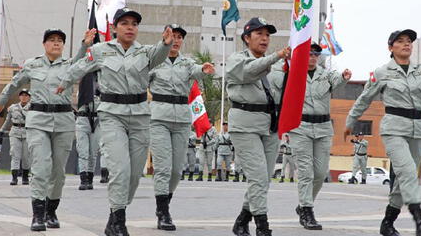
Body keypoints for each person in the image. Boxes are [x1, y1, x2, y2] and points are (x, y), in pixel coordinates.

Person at [57, 8, 174, 236]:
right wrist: (64, 83)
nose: (130, 27)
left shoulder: (146, 51)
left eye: (134, 24)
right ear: (114, 28)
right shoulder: (101, 51)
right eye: (125, 23)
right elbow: (79, 68)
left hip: (140, 116)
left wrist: (166, 44)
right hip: (112, 115)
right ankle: (119, 221)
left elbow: (159, 56)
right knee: (120, 169)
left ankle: (114, 215)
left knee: (134, 173)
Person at [345, 29, 421, 236]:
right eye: (401, 41)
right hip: (394, 129)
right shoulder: (382, 72)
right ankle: (420, 222)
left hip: (417, 129)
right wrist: (350, 121)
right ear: (391, 47)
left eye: (409, 41)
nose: (406, 44)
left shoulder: (420, 69)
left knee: (403, 179)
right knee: (407, 173)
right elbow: (364, 98)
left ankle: (388, 222)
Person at [0, 28, 95, 231]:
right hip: (38, 121)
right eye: (51, 40)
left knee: (58, 171)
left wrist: (85, 44)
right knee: (40, 168)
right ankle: (38, 214)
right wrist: (1, 102)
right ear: (44, 44)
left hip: (64, 122)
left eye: (60, 40)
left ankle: (51, 211)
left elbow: (80, 60)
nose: (56, 43)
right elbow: (15, 83)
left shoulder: (69, 65)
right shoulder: (33, 65)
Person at [226, 17, 290, 236]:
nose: (264, 39)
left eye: (267, 35)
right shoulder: (236, 59)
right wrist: (276, 57)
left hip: (269, 126)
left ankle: (242, 221)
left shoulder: (277, 66)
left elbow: (283, 93)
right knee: (259, 178)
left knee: (263, 179)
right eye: (259, 34)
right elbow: (250, 71)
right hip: (245, 125)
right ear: (246, 38)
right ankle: (262, 227)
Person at [148, 24, 214, 231]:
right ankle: (163, 212)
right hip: (159, 117)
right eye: (172, 36)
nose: (176, 40)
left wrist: (204, 70)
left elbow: (197, 71)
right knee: (163, 168)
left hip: (181, 119)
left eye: (179, 37)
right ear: (165, 37)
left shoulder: (187, 63)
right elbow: (140, 81)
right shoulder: (154, 61)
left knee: (177, 170)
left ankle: (164, 204)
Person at [290, 42, 351, 230]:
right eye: (309, 53)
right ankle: (307, 211)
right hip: (301, 127)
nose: (312, 57)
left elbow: (337, 79)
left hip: (323, 127)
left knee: (320, 171)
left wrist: (344, 76)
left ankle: (302, 206)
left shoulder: (325, 74)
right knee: (306, 172)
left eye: (316, 54)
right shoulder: (292, 73)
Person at [0, 88, 31, 186]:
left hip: (27, 132)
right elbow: (8, 120)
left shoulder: (33, 107)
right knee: (15, 155)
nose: (24, 97)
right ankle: (14, 178)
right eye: (22, 95)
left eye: (26, 95)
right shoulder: (13, 107)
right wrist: (1, 130)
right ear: (19, 96)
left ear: (29, 97)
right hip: (15, 132)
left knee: (26, 156)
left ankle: (25, 177)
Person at [75, 93, 101, 190]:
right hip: (82, 121)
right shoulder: (83, 90)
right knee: (83, 152)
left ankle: (90, 178)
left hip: (96, 122)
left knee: (93, 153)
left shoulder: (101, 89)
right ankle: (83, 179)